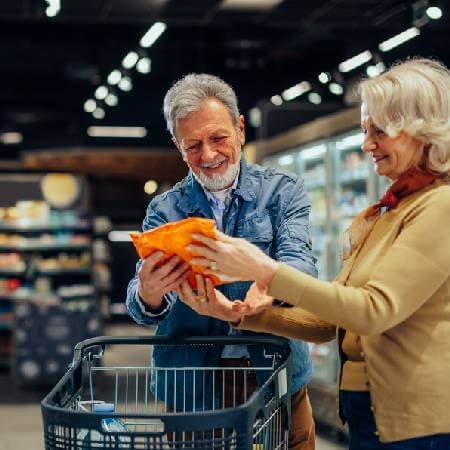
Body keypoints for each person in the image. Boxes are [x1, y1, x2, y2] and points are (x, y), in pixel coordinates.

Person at [182, 58, 450, 449]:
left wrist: (266, 271)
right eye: (364, 130)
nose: (367, 144)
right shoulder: (389, 211)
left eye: (380, 130)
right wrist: (240, 316)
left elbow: (373, 310)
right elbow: (330, 322)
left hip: (417, 425)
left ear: (424, 129)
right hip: (370, 415)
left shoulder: (439, 206)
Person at [126, 73, 318, 449]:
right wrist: (148, 292)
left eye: (218, 138)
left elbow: (300, 262)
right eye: (193, 145)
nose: (209, 156)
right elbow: (140, 303)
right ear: (178, 147)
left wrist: (268, 290)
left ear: (240, 128)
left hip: (275, 368)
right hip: (192, 380)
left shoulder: (283, 191)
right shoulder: (165, 210)